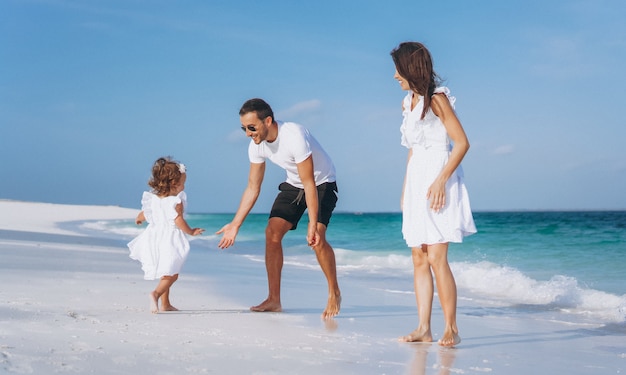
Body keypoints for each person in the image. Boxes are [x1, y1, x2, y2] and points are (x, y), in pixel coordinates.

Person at [216, 98, 341, 320]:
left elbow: (310, 182)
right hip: (294, 184)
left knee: (317, 237)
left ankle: (334, 291)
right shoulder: (256, 146)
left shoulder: (294, 135)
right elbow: (253, 187)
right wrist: (235, 224)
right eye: (244, 128)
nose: (247, 133)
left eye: (252, 128)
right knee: (272, 233)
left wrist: (312, 223)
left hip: (321, 183)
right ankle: (274, 299)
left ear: (268, 121)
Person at [390, 42, 477, 346]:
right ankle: (423, 327)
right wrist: (405, 189)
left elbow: (462, 143)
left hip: (441, 176)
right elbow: (413, 149)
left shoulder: (438, 100)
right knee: (418, 256)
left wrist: (441, 181)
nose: (394, 76)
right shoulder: (407, 103)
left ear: (410, 68)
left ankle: (451, 328)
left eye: (397, 69)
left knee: (438, 257)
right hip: (417, 181)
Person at [128, 157, 205, 313]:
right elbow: (178, 220)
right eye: (183, 183)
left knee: (166, 270)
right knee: (173, 274)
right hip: (170, 238)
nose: (184, 186)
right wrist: (191, 231)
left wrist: (139, 219)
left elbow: (145, 214)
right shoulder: (176, 202)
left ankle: (166, 304)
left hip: (154, 237)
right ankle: (155, 294)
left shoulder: (154, 199)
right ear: (174, 184)